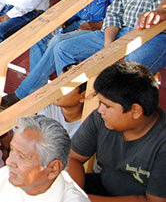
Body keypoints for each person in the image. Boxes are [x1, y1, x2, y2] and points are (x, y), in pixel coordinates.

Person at [67, 62, 166, 200]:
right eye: (100, 103)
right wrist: (74, 195)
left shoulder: (162, 143)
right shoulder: (101, 118)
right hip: (105, 187)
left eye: (107, 106)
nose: (100, 110)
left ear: (136, 111)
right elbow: (72, 158)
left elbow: (154, 201)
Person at [0, 115, 89, 202]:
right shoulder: (4, 176)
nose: (9, 162)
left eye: (21, 156)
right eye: (12, 150)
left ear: (53, 169)